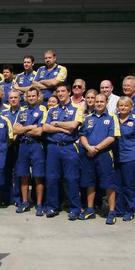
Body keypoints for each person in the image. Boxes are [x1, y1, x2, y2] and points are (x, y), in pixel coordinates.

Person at [42, 83, 84, 219]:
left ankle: (75, 209)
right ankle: (52, 207)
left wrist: (56, 123)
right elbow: (45, 128)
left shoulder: (77, 109)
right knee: (52, 178)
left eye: (63, 91)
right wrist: (62, 128)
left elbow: (73, 126)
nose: (60, 94)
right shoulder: (52, 110)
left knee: (71, 179)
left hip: (69, 147)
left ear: (69, 93)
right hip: (53, 147)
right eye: (58, 91)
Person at [78, 93, 120, 223]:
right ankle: (90, 209)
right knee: (89, 182)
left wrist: (96, 148)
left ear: (106, 102)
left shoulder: (112, 117)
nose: (99, 103)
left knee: (108, 183)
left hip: (104, 154)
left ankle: (112, 211)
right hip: (89, 154)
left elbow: (112, 137)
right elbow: (82, 135)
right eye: (97, 101)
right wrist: (88, 147)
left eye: (102, 101)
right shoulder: (88, 118)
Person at [14, 88, 47, 216]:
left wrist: (23, 129)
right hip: (23, 146)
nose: (31, 98)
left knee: (38, 176)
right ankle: (24, 202)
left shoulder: (42, 110)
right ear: (26, 97)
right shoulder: (22, 111)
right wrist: (30, 127)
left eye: (34, 95)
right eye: (29, 96)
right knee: (23, 175)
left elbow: (39, 131)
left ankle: (39, 204)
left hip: (36, 145)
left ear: (38, 96)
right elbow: (15, 129)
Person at [114, 96, 135, 221]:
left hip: (130, 156)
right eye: (121, 105)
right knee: (117, 185)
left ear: (131, 107)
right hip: (117, 156)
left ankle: (129, 209)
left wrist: (134, 148)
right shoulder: (114, 119)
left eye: (126, 105)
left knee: (129, 184)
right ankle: (119, 209)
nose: (123, 108)